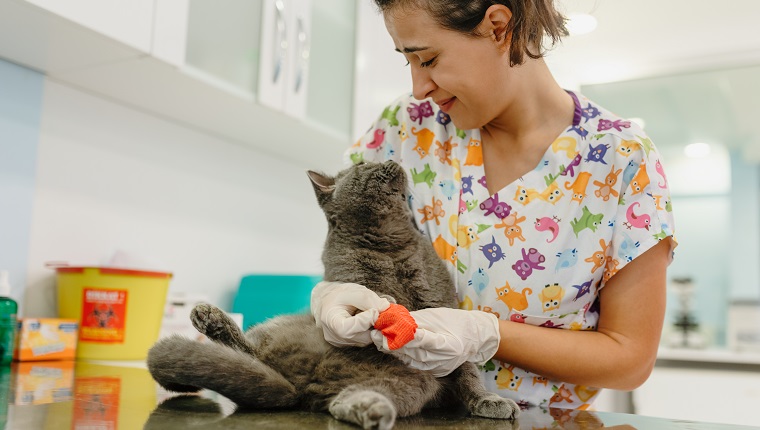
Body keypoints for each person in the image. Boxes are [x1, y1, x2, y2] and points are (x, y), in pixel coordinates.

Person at [311, 0, 677, 410]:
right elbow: (348, 239)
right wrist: (335, 294)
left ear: (498, 27)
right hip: (398, 410)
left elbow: (629, 358)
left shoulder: (620, 159)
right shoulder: (407, 127)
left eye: (428, 59)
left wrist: (489, 334)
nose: (419, 87)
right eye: (408, 62)